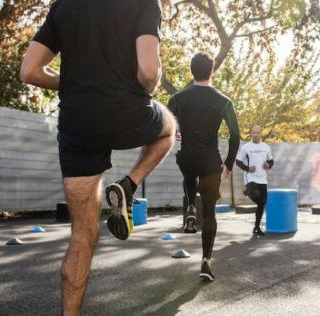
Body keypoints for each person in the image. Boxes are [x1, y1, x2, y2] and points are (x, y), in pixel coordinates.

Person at [19, 0, 176, 314]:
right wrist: (148, 87)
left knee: (82, 234)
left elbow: (29, 71)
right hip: (127, 112)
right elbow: (148, 71)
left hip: (78, 123)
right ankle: (129, 185)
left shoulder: (64, 5)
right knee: (169, 128)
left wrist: (76, 83)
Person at [169, 53, 240, 281]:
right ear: (212, 71)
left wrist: (176, 134)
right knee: (209, 213)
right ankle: (206, 263)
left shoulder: (178, 98)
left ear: (191, 71)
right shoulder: (224, 101)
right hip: (211, 161)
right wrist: (229, 164)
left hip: (187, 157)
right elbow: (235, 135)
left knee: (189, 173)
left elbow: (166, 126)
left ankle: (190, 206)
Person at [235, 126, 273, 236]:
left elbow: (271, 160)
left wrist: (268, 165)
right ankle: (248, 190)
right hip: (250, 178)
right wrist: (247, 168)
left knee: (262, 203)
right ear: (251, 134)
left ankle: (256, 227)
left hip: (262, 179)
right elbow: (238, 162)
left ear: (261, 134)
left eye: (257, 132)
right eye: (253, 132)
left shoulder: (266, 147)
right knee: (258, 199)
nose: (255, 134)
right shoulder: (246, 147)